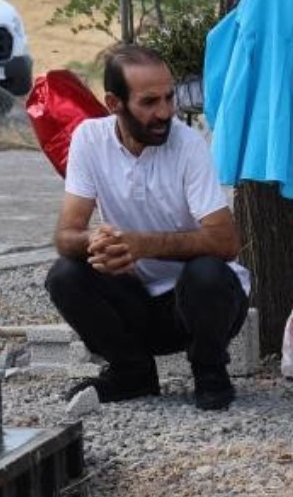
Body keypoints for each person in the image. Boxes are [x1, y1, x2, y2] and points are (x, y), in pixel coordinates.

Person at [45, 45, 251, 411]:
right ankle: (132, 373)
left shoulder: (188, 145)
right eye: (150, 102)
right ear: (114, 104)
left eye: (169, 98)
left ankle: (210, 371)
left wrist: (141, 245)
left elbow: (225, 241)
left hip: (198, 305)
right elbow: (65, 236)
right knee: (65, 274)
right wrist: (100, 243)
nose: (165, 112)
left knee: (207, 272)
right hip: (136, 299)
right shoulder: (89, 140)